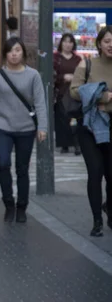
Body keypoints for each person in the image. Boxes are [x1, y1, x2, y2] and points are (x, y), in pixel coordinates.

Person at [0, 37, 48, 223]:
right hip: (3, 127)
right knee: (3, 164)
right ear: (5, 54)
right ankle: (8, 204)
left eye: (18, 50)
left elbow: (40, 103)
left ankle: (22, 207)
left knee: (22, 169)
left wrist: (42, 127)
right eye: (11, 51)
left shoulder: (33, 75)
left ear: (23, 53)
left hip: (26, 129)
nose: (14, 54)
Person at [70, 27, 112, 237]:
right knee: (95, 172)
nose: (110, 45)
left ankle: (110, 211)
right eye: (107, 41)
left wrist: (109, 105)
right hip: (90, 128)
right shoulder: (87, 64)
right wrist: (100, 96)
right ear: (99, 44)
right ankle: (97, 221)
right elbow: (74, 91)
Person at [54, 33, 82, 155]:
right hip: (60, 93)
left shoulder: (78, 59)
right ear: (61, 43)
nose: (67, 44)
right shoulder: (55, 58)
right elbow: (52, 75)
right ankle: (64, 144)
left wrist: (74, 78)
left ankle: (77, 144)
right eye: (65, 41)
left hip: (75, 93)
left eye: (70, 42)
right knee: (62, 120)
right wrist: (63, 77)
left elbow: (83, 74)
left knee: (76, 119)